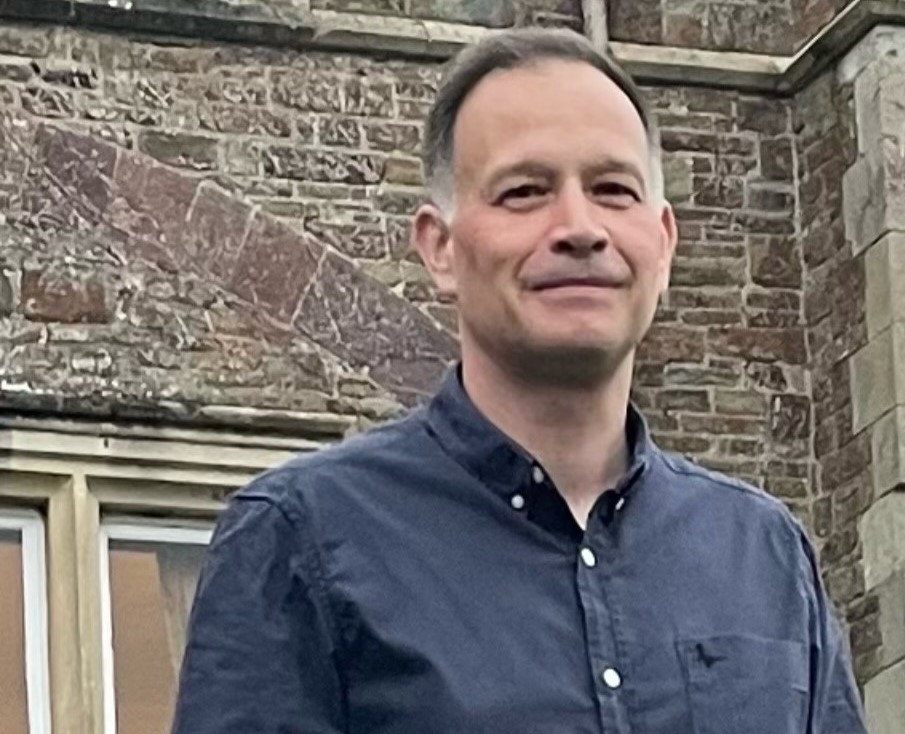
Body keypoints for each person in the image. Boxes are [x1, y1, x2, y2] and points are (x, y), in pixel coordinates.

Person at [172, 27, 867, 734]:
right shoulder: (303, 538)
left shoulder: (763, 555)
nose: (578, 227)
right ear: (438, 247)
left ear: (661, 245)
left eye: (612, 190)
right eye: (525, 192)